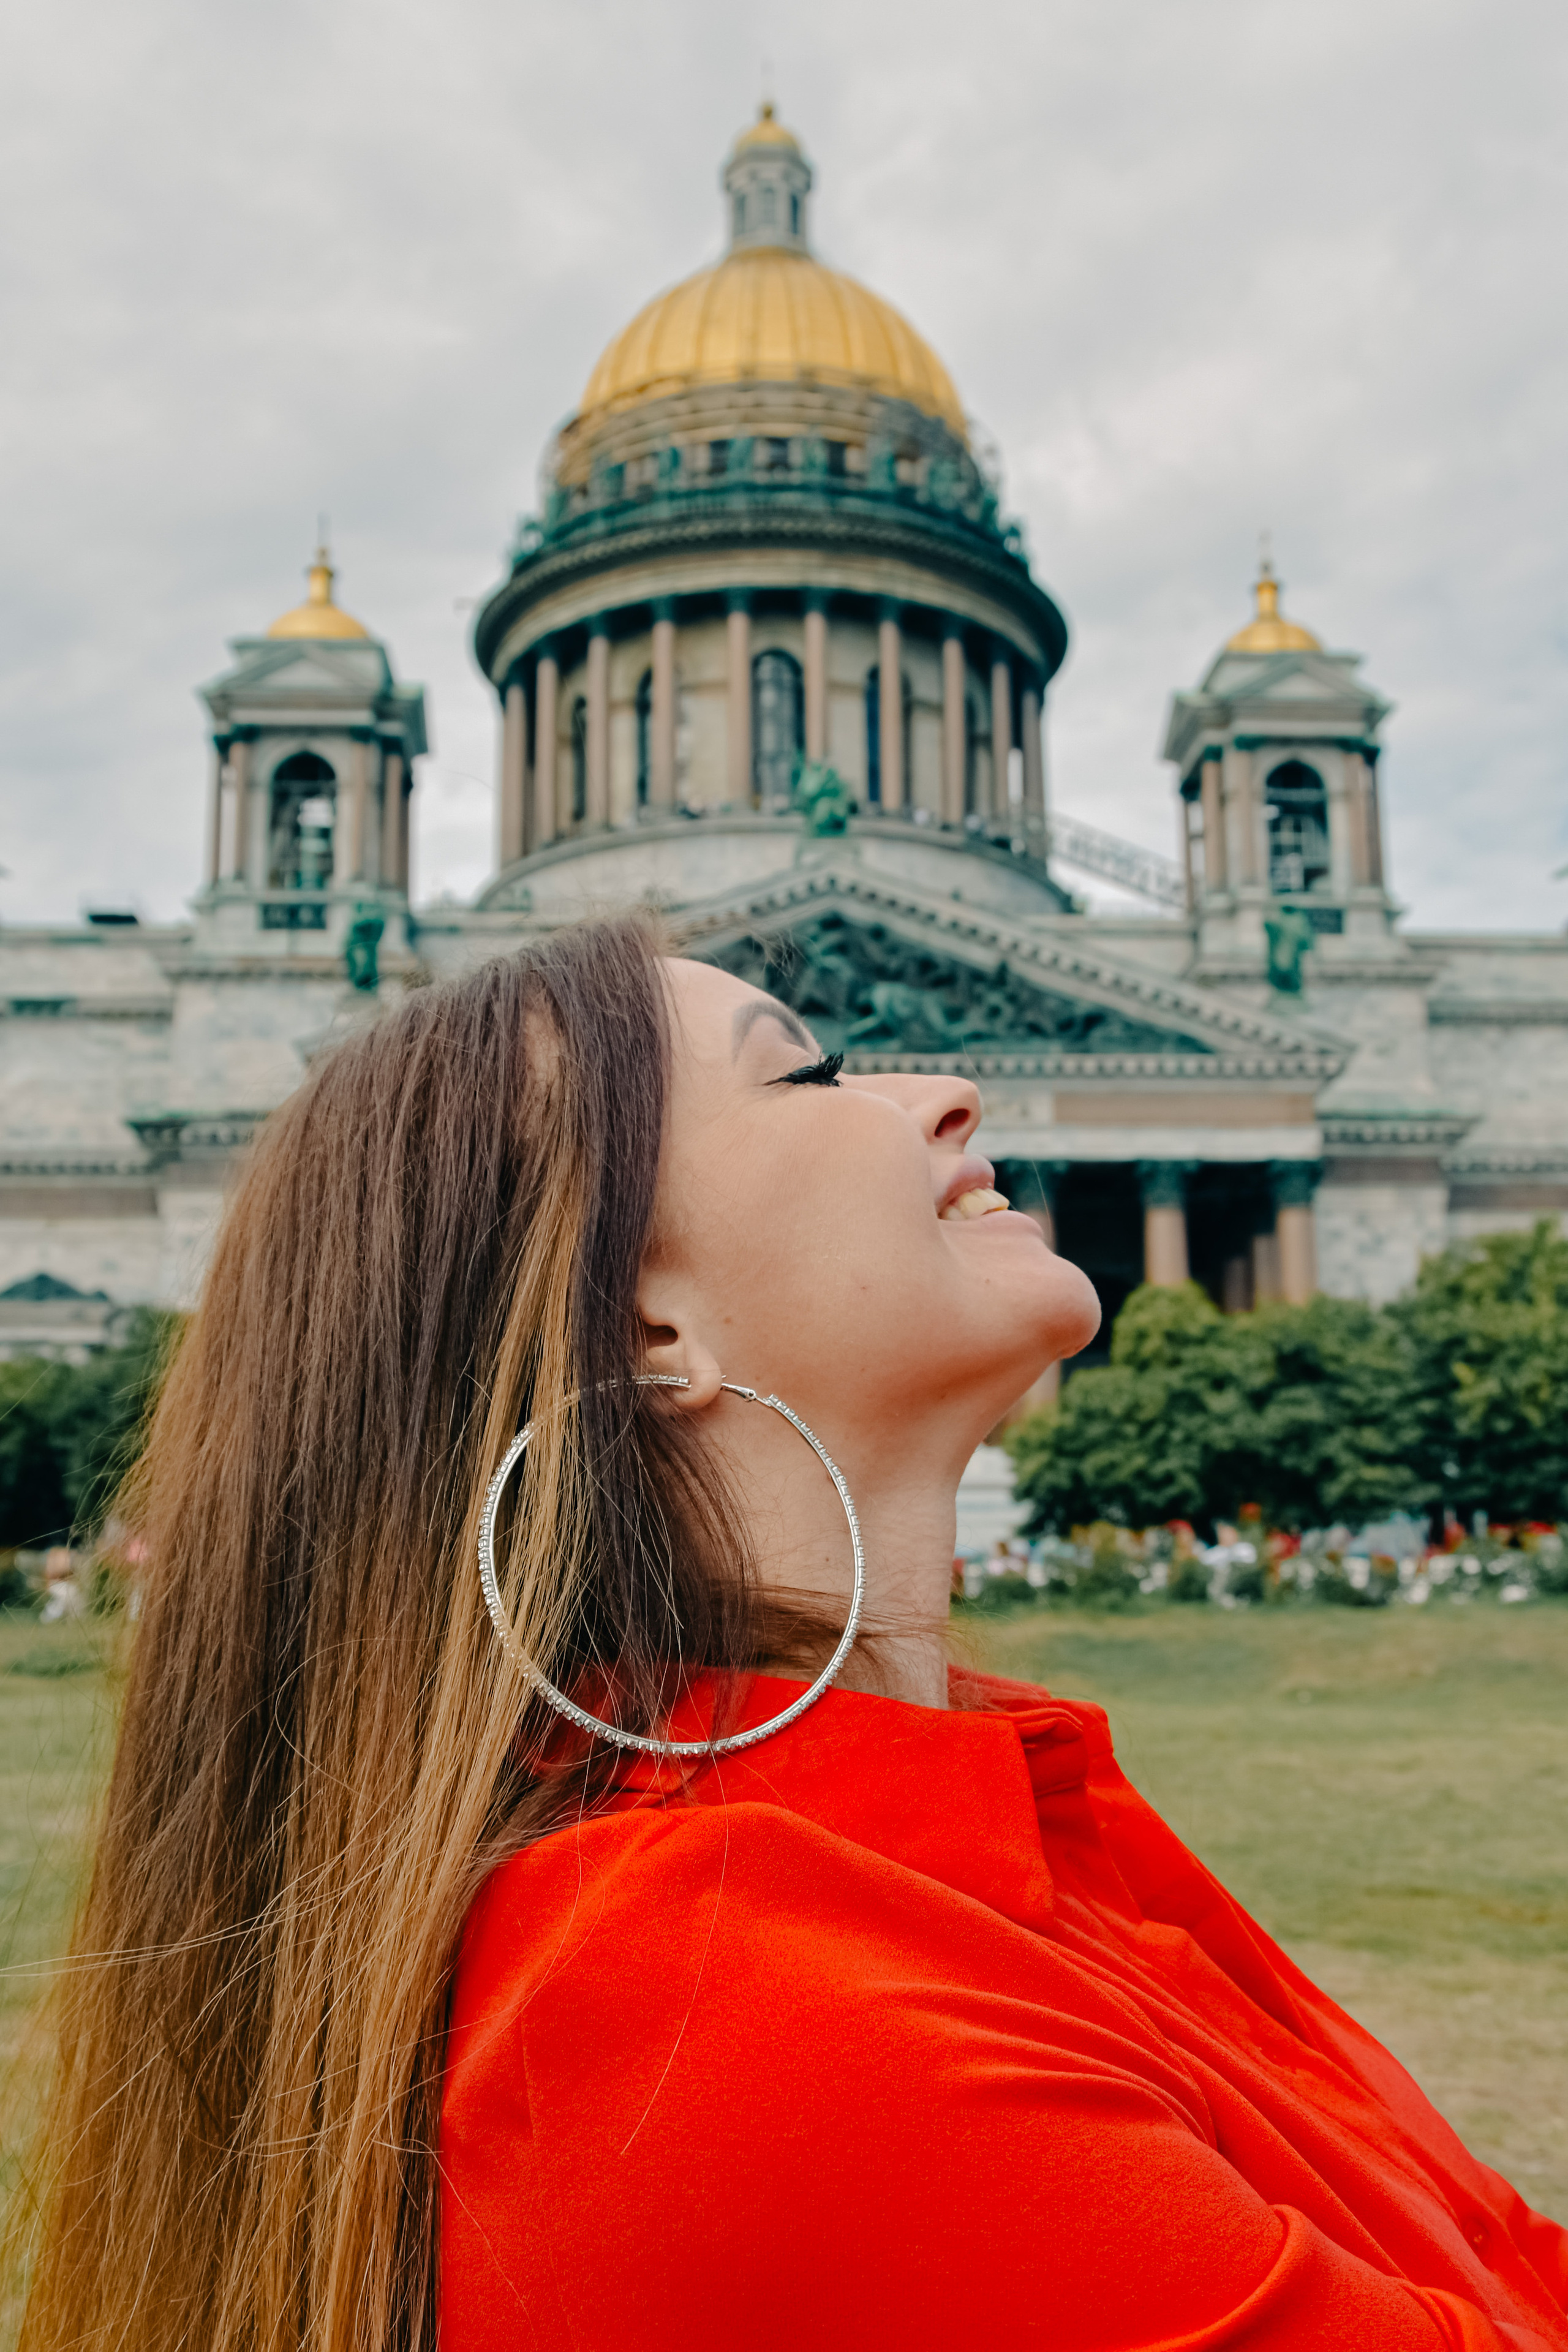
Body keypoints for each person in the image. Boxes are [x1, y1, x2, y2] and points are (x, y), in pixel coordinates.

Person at [18, 917, 1567, 2352]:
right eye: (809, 1071)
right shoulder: (719, 2019)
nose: (953, 1092)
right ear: (645, 1323)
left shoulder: (984, 1807)